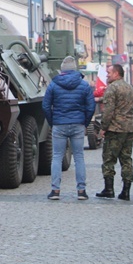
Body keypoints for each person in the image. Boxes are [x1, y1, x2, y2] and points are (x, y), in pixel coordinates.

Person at [42, 56, 96, 200]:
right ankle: (81, 191)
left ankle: (55, 191)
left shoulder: (54, 84)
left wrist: (52, 121)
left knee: (57, 157)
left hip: (59, 124)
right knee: (79, 157)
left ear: (62, 69)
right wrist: (85, 122)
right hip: (78, 124)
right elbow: (91, 106)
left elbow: (46, 106)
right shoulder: (84, 85)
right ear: (75, 68)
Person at [95, 64, 133, 200]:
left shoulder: (112, 88)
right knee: (126, 159)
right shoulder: (129, 87)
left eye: (109, 73)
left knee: (109, 159)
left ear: (117, 73)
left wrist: (103, 127)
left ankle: (109, 189)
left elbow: (109, 111)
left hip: (115, 128)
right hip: (129, 127)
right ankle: (126, 190)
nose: (107, 75)